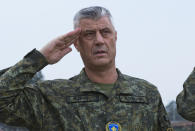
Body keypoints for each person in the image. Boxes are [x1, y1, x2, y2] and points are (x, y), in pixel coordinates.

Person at [0, 6, 173, 131]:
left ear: (115, 37)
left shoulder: (146, 94)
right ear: (76, 43)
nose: (99, 40)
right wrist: (40, 58)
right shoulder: (52, 97)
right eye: (89, 34)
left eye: (105, 32)